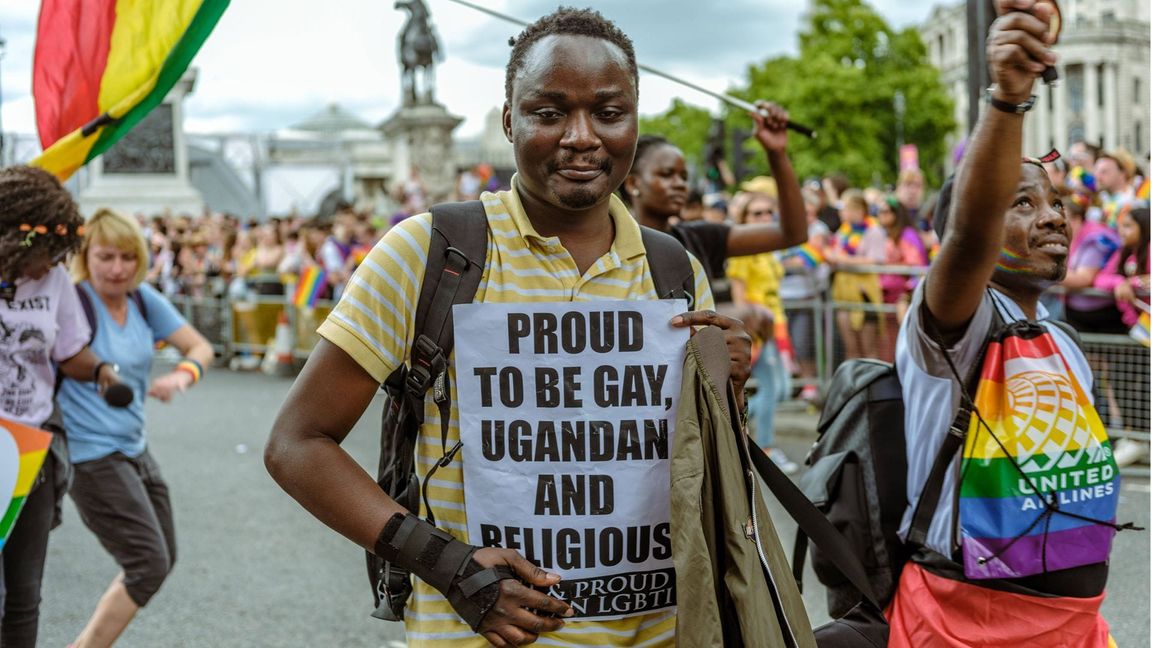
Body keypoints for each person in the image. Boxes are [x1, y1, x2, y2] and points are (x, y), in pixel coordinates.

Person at [265, 9, 771, 647]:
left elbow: (695, 467)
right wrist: (451, 569)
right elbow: (296, 443)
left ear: (635, 123)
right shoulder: (429, 254)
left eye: (609, 113)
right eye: (550, 112)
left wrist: (728, 387)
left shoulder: (674, 269)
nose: (581, 137)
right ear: (510, 120)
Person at [887, 3, 1123, 644]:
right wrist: (1009, 98)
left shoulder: (1060, 338)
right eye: (1022, 203)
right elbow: (971, 234)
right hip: (966, 625)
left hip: (1073, 627)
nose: (1052, 217)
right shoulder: (958, 327)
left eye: (1055, 202)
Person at [57, 209, 213, 648]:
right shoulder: (74, 302)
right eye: (106, 257)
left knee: (161, 558)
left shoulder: (142, 299)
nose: (118, 268)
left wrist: (183, 374)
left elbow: (201, 346)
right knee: (147, 561)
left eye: (128, 257)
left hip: (133, 446)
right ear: (87, 255)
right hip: (88, 454)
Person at [0, 165, 126, 647]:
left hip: (32, 450)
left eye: (59, 254)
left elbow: (68, 351)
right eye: (44, 252)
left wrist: (100, 372)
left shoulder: (54, 281)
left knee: (22, 595)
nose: (50, 263)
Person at [622, 125, 807, 285]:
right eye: (666, 174)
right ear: (632, 184)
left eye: (684, 177)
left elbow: (792, 234)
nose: (679, 184)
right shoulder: (609, 245)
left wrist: (777, 154)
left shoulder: (699, 239)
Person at [725, 193, 798, 473]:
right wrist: (750, 333)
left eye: (768, 211)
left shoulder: (768, 250)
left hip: (775, 325)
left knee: (781, 389)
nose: (764, 217)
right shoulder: (742, 252)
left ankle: (730, 425)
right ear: (744, 218)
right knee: (770, 389)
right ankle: (765, 447)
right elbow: (740, 298)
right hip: (757, 330)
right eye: (756, 213)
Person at [826, 189, 887, 360]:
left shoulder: (873, 231)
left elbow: (875, 261)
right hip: (844, 295)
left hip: (864, 295)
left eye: (845, 208)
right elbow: (834, 252)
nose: (842, 212)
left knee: (868, 349)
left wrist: (843, 260)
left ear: (858, 210)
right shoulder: (844, 231)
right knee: (850, 349)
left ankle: (872, 386)